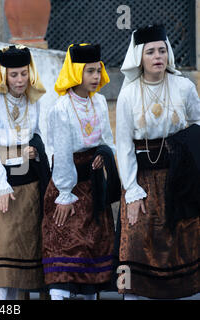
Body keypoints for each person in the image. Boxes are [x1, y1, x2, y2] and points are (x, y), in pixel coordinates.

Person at [115, 24, 200, 299]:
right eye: (150, 51)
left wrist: (185, 151)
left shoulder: (184, 87)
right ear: (140, 56)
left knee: (181, 238)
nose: (157, 56)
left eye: (162, 50)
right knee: (138, 239)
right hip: (142, 178)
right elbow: (124, 144)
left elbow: (198, 124)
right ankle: (135, 294)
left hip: (178, 176)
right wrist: (131, 189)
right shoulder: (128, 94)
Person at [42, 43, 119, 300]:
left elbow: (107, 140)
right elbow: (62, 154)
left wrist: (103, 154)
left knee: (93, 247)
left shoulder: (98, 102)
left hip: (93, 185)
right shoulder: (61, 109)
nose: (96, 77)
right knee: (65, 243)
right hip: (69, 185)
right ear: (76, 73)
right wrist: (64, 194)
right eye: (89, 71)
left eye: (98, 71)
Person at [0, 45, 50, 300]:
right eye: (14, 75)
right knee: (3, 250)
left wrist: (35, 152)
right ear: (3, 76)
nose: (20, 80)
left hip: (29, 186)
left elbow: (38, 138)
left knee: (24, 254)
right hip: (1, 187)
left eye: (23, 74)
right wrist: (1, 183)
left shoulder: (33, 99)